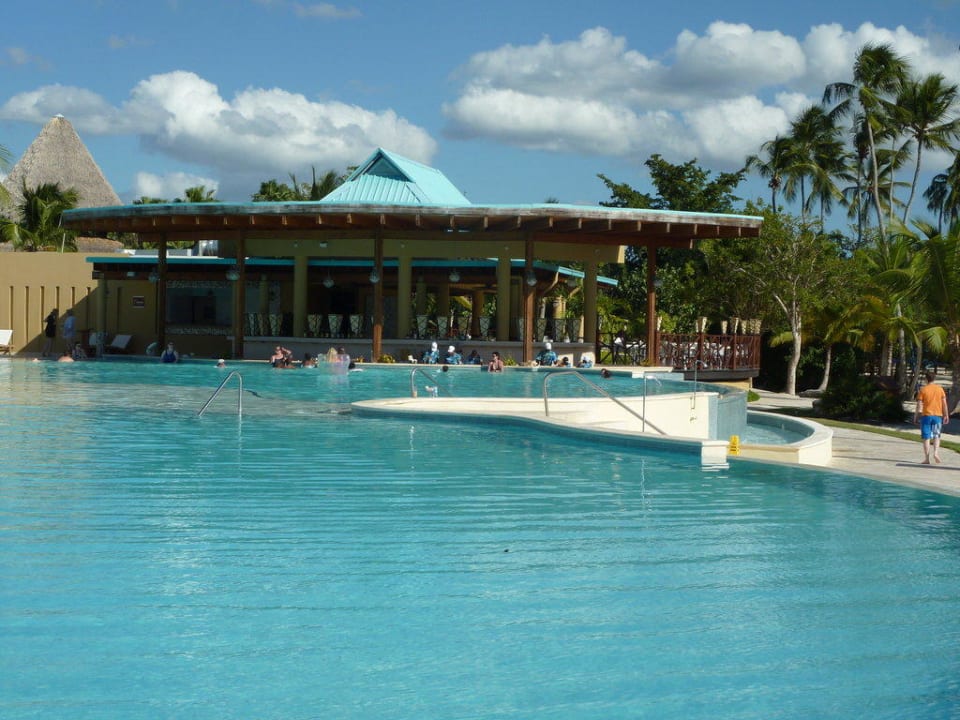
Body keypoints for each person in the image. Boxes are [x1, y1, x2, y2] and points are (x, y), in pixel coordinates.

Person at [914, 370, 950, 464]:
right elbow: (944, 404)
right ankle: (936, 453)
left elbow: (919, 405)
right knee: (936, 436)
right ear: (934, 379)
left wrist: (916, 416)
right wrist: (946, 415)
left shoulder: (923, 389)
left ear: (926, 379)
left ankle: (927, 458)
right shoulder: (940, 389)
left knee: (926, 437)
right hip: (938, 416)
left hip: (926, 416)